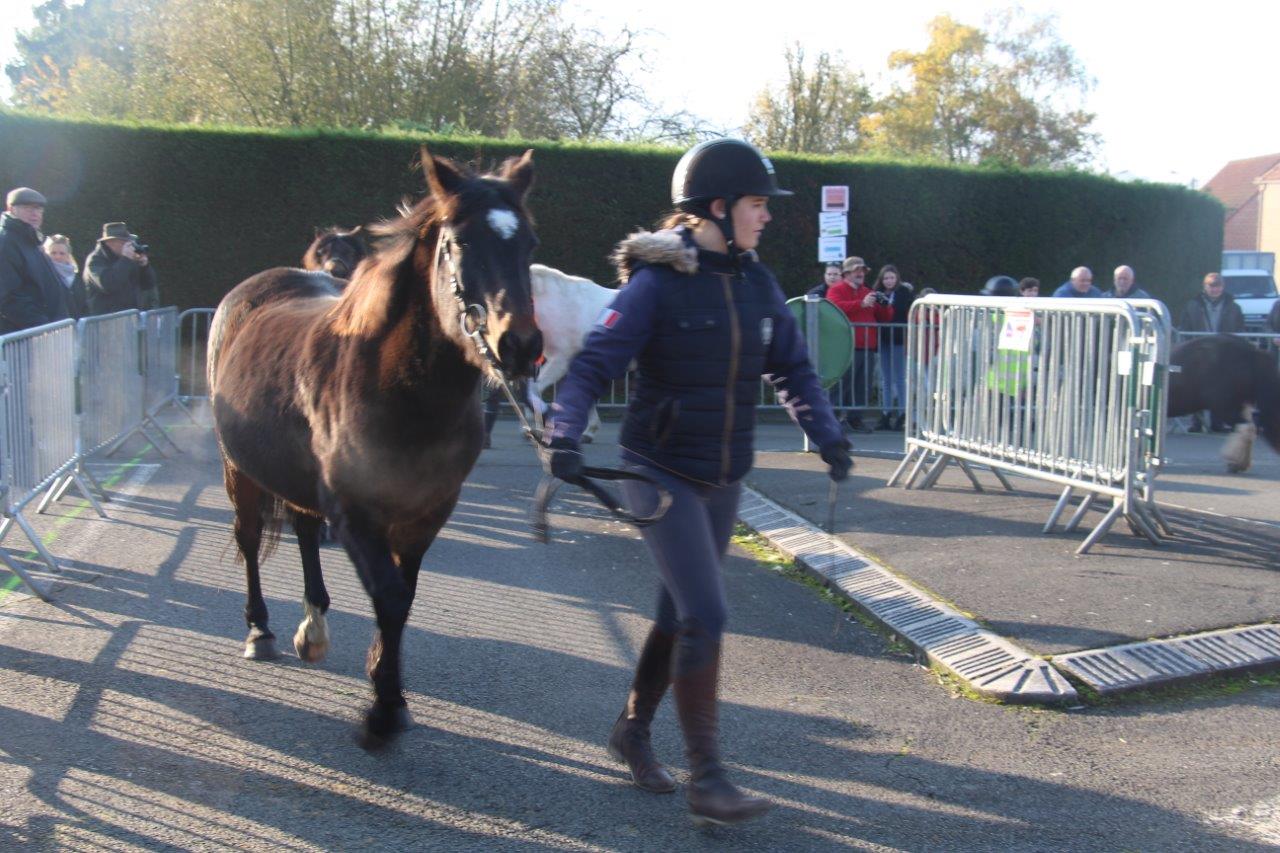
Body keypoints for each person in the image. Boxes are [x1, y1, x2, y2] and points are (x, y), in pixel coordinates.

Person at [544, 138, 851, 826]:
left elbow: (794, 368)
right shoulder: (656, 283)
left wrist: (826, 432)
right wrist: (565, 433)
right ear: (716, 207)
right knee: (705, 614)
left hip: (722, 475)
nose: (766, 216)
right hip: (658, 471)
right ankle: (708, 776)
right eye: (756, 203)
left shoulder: (757, 282)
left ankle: (631, 728)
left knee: (676, 613)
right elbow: (595, 366)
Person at [827, 255, 892, 432]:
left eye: (862, 270)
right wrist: (860, 304)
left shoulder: (867, 291)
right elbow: (835, 306)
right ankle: (832, 419)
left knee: (862, 386)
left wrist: (885, 305)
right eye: (856, 270)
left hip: (867, 346)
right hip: (846, 346)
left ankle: (855, 419)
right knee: (842, 384)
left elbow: (885, 317)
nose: (860, 274)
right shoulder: (837, 290)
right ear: (846, 274)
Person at [0, 187, 73, 333]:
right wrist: (43, 328)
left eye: (39, 209)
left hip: (46, 333)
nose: (35, 214)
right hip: (25, 337)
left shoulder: (31, 242)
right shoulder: (6, 242)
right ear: (11, 209)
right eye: (28, 208)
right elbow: (9, 295)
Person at [1180, 272, 1245, 433]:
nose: (1214, 289)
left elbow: (1240, 330)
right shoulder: (1192, 305)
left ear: (1223, 287)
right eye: (1211, 285)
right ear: (1204, 287)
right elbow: (1184, 328)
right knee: (1196, 387)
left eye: (1217, 285)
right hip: (1200, 352)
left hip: (1223, 353)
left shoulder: (1234, 307)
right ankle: (1196, 422)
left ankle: (1218, 422)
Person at [83, 221, 159, 315]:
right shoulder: (95, 261)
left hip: (130, 319)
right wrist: (126, 259)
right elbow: (109, 284)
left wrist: (144, 266)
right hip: (107, 322)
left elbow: (148, 284)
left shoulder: (127, 260)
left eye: (129, 242)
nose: (128, 246)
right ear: (108, 242)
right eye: (123, 242)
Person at [873, 264, 914, 430]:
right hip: (883, 339)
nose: (889, 281)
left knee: (900, 378)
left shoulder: (903, 293)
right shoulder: (877, 294)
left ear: (897, 278)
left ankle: (903, 413)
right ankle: (886, 413)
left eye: (891, 278)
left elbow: (905, 311)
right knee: (886, 378)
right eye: (886, 278)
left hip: (898, 338)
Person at [42, 234, 87, 319]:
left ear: (68, 255)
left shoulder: (76, 277)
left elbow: (84, 304)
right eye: (53, 253)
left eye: (62, 253)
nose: (57, 256)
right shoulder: (44, 275)